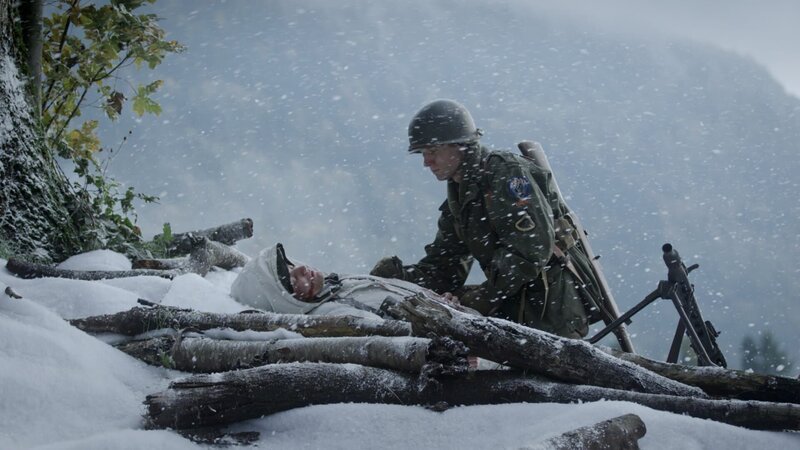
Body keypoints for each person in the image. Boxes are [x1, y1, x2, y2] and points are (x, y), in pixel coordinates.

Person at [370, 99, 605, 339]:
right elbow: (447, 264)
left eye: (433, 152)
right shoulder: (461, 192)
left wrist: (476, 300)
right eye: (423, 153)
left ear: (460, 146)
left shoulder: (507, 175)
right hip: (515, 309)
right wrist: (402, 280)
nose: (426, 162)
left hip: (550, 311)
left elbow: (530, 252)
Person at [230, 243, 465, 320]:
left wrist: (441, 302)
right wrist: (443, 316)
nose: (301, 268)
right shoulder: (338, 312)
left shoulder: (338, 284)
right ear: (284, 301)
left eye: (292, 265)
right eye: (292, 278)